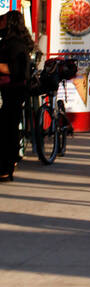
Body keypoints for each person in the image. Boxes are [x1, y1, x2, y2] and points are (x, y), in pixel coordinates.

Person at [0, 10, 35, 181]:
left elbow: (14, 70)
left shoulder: (14, 44)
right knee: (9, 127)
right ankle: (10, 164)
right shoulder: (14, 42)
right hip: (14, 90)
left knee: (8, 129)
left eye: (4, 20)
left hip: (12, 90)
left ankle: (6, 169)